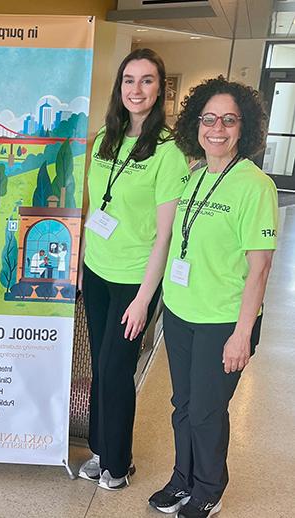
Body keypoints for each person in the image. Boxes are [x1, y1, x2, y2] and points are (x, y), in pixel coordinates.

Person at [148, 77, 277, 518]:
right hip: (182, 312)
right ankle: (181, 479)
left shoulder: (255, 185)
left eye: (228, 120)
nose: (217, 128)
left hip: (224, 318)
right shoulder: (196, 175)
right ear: (195, 124)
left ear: (245, 127)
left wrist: (242, 335)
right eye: (208, 119)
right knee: (182, 406)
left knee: (206, 410)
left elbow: (260, 268)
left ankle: (208, 488)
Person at [78, 48, 189, 491]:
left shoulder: (169, 151)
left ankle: (119, 466)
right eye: (129, 80)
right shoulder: (106, 138)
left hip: (133, 279)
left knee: (116, 366)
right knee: (100, 369)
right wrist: (82, 265)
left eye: (146, 81)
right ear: (118, 87)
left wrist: (145, 298)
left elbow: (165, 235)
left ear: (159, 89)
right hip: (98, 270)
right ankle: (102, 451)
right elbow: (92, 208)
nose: (136, 89)